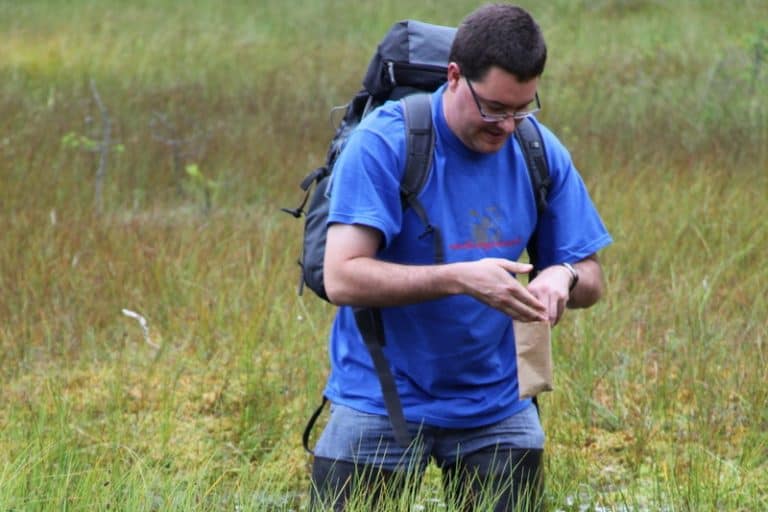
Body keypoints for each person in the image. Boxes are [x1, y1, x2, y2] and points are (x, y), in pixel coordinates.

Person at [309, 3, 613, 511]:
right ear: (454, 77)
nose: (507, 126)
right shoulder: (385, 143)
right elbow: (342, 276)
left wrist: (561, 276)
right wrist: (461, 279)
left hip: (497, 402)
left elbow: (593, 277)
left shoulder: (538, 149)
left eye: (522, 108)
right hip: (379, 394)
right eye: (493, 108)